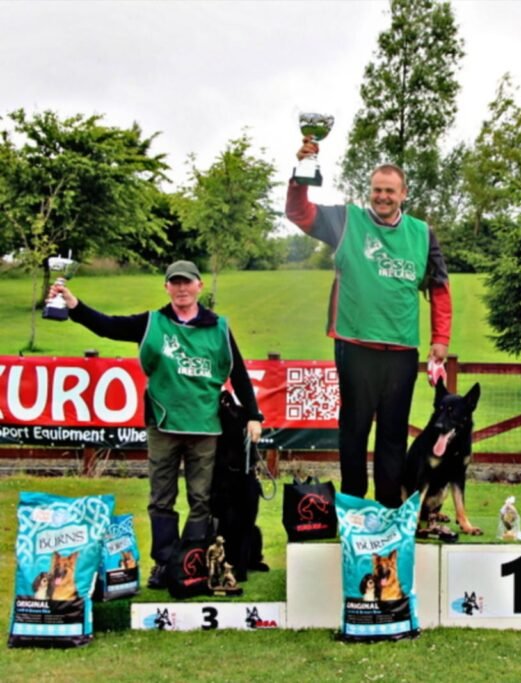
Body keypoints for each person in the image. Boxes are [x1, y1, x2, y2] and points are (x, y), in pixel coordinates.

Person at [48, 260, 262, 588]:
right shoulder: (152, 323)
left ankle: (192, 561)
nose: (181, 288)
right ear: (166, 287)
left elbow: (238, 373)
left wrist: (253, 415)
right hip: (162, 425)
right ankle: (164, 563)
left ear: (199, 286)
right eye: (175, 282)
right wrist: (74, 306)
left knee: (201, 499)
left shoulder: (218, 327)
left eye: (187, 282)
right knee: (161, 498)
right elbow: (108, 326)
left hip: (205, 427)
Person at [285, 138, 452, 508]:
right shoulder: (346, 220)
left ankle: (389, 508)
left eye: (390, 191)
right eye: (377, 190)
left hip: (401, 349)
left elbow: (440, 287)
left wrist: (441, 337)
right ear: (370, 191)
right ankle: (354, 504)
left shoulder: (423, 233)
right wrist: (301, 174)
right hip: (355, 345)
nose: (382, 197)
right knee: (355, 431)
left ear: (403, 193)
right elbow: (299, 213)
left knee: (393, 434)